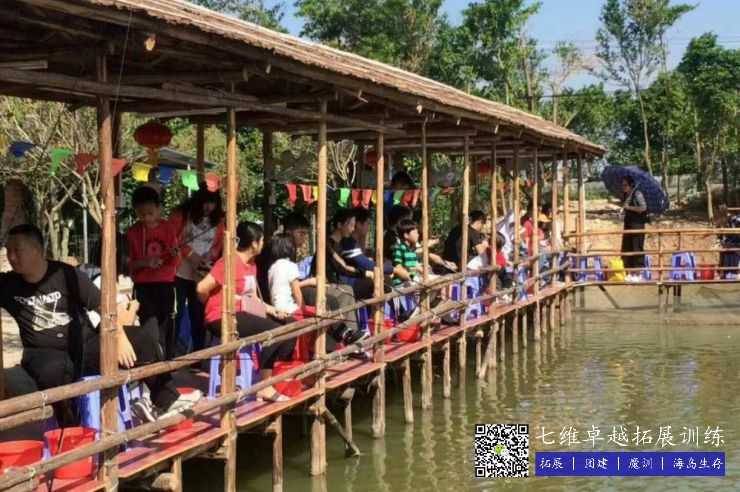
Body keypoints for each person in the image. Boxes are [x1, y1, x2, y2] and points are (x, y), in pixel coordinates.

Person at [0, 225, 199, 426]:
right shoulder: (8, 285)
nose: (11, 257)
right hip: (43, 354)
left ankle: (165, 402)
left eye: (17, 249)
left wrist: (119, 338)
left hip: (86, 345)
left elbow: (103, 306)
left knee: (144, 338)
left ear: (37, 250)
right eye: (8, 250)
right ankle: (73, 430)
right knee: (52, 371)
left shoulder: (66, 274)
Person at [197, 221, 296, 402]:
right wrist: (216, 305)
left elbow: (253, 298)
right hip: (221, 316)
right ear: (254, 243)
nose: (263, 244)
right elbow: (201, 288)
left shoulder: (251, 265)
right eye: (262, 240)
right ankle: (264, 385)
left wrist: (273, 310)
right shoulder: (228, 262)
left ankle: (274, 372)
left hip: (244, 312)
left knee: (290, 324)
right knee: (274, 331)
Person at [126, 186, 180, 358]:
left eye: (151, 213)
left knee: (166, 326)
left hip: (165, 284)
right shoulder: (132, 232)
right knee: (149, 328)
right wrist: (145, 262)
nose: (147, 218)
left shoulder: (168, 228)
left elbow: (176, 260)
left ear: (158, 208)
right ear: (135, 211)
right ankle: (152, 361)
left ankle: (167, 362)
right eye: (142, 214)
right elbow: (127, 265)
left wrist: (175, 254)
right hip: (143, 286)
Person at [171, 187, 224, 355]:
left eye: (212, 203)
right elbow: (173, 239)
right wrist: (191, 255)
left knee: (199, 316)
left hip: (202, 275)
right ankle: (169, 355)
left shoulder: (218, 220)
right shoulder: (182, 215)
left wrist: (210, 255)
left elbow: (219, 243)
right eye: (205, 203)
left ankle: (199, 355)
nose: (208, 207)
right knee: (176, 314)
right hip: (179, 273)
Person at [310, 209, 375, 301]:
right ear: (340, 225)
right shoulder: (330, 246)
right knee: (348, 291)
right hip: (323, 283)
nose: (352, 229)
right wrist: (364, 273)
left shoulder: (340, 244)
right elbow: (342, 268)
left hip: (334, 282)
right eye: (350, 225)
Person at [620, 175, 648, 281]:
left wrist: (628, 207)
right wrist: (624, 210)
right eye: (622, 185)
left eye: (625, 185)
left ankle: (638, 273)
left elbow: (643, 208)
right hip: (628, 224)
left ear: (631, 184)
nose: (623, 187)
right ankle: (629, 272)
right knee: (627, 247)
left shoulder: (637, 193)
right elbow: (626, 208)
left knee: (637, 247)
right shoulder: (626, 195)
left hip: (637, 224)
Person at [714, 204, 740, 278]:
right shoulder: (721, 221)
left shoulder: (734, 218)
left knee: (731, 248)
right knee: (724, 248)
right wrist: (717, 244)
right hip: (730, 240)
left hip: (737, 240)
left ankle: (735, 272)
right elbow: (720, 235)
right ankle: (722, 273)